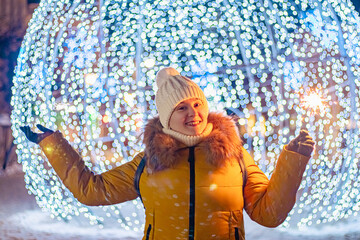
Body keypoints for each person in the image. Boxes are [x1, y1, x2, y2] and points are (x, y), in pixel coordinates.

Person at [21, 67, 315, 240]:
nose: (193, 114)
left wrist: (293, 160)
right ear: (165, 117)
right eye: (181, 108)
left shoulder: (235, 156)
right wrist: (52, 144)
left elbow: (269, 214)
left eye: (197, 104)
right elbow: (91, 191)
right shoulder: (148, 163)